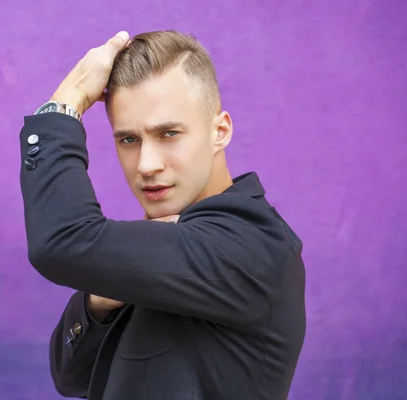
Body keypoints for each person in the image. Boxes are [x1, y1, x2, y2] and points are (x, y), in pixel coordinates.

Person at [19, 30, 306, 399]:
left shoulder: (249, 242)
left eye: (169, 133)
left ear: (220, 131)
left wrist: (67, 101)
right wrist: (99, 301)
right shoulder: (165, 242)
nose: (147, 165)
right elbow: (71, 378)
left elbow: (60, 243)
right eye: (129, 140)